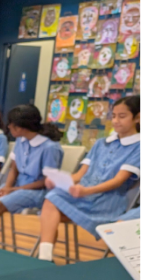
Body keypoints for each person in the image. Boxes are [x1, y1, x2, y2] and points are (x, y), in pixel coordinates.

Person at [37, 96, 141, 261]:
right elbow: (80, 175)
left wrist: (87, 191)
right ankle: (45, 256)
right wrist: (59, 181)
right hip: (83, 195)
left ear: (138, 117)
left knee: (51, 209)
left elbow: (118, 181)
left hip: (107, 201)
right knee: (52, 197)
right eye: (113, 116)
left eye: (122, 116)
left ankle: (45, 256)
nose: (115, 121)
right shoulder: (101, 143)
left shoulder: (138, 147)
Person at [0, 105, 64, 242]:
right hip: (17, 187)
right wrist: (7, 187)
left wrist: (14, 189)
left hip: (38, 192)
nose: (8, 126)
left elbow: (46, 182)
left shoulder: (50, 148)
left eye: (11, 124)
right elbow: (14, 168)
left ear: (22, 127)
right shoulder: (21, 140)